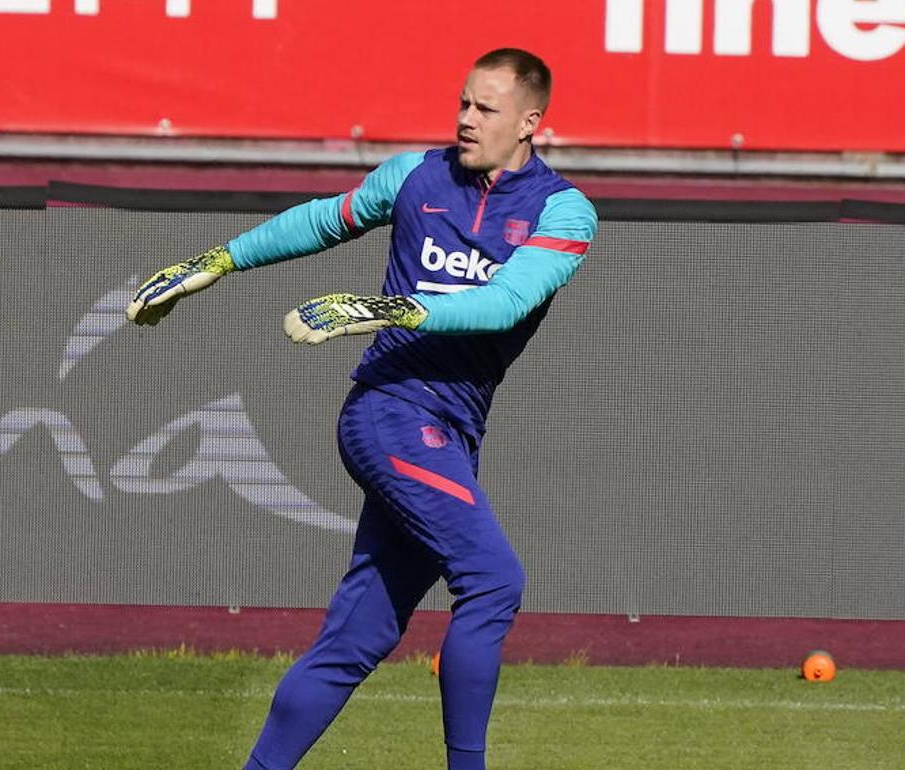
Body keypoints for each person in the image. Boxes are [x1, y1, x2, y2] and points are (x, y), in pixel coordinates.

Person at [127, 47, 597, 770]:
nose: (466, 119)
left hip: (447, 430)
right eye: (463, 102)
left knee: (358, 639)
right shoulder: (414, 175)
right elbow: (322, 221)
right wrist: (215, 262)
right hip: (390, 413)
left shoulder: (563, 211)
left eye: (486, 109)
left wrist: (390, 308)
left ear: (532, 121)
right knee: (495, 579)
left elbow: (506, 302)